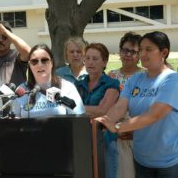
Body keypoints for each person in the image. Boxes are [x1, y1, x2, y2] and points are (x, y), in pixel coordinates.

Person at [96, 31, 178, 178]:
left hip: (169, 162)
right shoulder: (135, 80)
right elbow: (120, 107)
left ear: (163, 52)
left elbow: (154, 115)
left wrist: (117, 127)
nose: (143, 54)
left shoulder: (172, 79)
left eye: (148, 49)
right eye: (141, 49)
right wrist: (103, 121)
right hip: (142, 159)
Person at [75, 43, 120, 178]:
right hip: (82, 140)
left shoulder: (111, 84)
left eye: (95, 59)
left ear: (104, 62)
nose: (90, 62)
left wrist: (76, 107)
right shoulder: (78, 84)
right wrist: (89, 110)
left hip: (105, 140)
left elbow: (102, 110)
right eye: (87, 58)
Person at [13, 44, 85, 118]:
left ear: (52, 63)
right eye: (34, 61)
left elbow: (79, 119)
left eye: (44, 60)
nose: (40, 65)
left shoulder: (67, 87)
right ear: (30, 65)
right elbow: (14, 122)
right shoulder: (21, 91)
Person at [108, 32, 143, 178]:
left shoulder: (145, 76)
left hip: (141, 131)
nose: (128, 54)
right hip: (117, 132)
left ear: (139, 55)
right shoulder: (111, 75)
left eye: (133, 51)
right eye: (125, 50)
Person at [0, 21, 31, 86]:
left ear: (11, 40)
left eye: (4, 37)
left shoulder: (16, 55)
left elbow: (28, 52)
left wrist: (5, 32)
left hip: (16, 96)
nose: (0, 40)